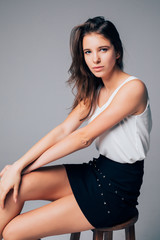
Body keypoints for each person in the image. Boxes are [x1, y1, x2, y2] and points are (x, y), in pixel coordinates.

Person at [0, 16, 152, 240]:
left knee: (13, 233)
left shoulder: (134, 89)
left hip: (116, 191)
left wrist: (25, 167)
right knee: (14, 186)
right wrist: (18, 167)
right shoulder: (95, 90)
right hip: (96, 172)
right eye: (88, 52)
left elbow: (84, 137)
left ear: (117, 52)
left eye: (103, 49)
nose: (95, 59)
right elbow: (63, 130)